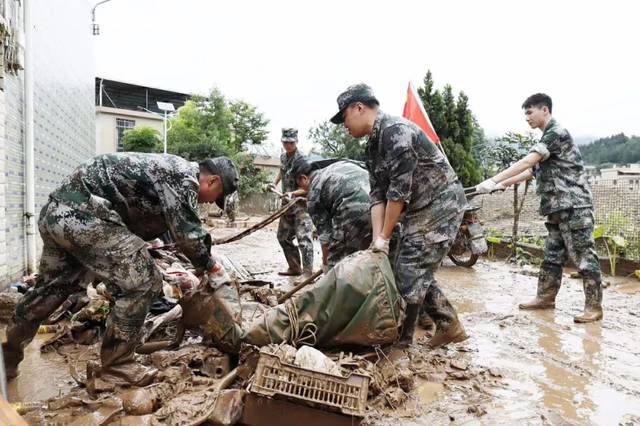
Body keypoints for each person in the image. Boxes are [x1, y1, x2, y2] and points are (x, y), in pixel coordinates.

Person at [2, 153, 239, 384]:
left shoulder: (171, 169)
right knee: (144, 281)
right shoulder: (185, 178)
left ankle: (7, 356)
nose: (208, 203)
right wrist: (212, 267)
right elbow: (188, 235)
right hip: (85, 215)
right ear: (212, 180)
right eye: (214, 196)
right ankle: (117, 365)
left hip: (59, 213)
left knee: (51, 290)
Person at [330, 83, 469, 348]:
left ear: (358, 108)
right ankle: (446, 324)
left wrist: (385, 235)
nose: (343, 125)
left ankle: (405, 340)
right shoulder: (372, 146)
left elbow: (398, 193)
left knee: (408, 269)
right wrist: (376, 241)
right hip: (418, 209)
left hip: (440, 204)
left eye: (344, 117)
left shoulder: (396, 132)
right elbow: (377, 196)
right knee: (406, 267)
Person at [476, 93, 602, 323]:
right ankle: (545, 297)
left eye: (530, 112)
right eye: (525, 113)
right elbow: (530, 172)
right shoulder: (547, 140)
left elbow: (527, 161)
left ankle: (594, 308)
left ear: (545, 110)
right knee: (552, 257)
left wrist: (493, 179)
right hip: (556, 209)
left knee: (585, 258)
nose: (527, 118)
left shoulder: (556, 133)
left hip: (575, 207)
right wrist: (501, 185)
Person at [291, 158, 372, 272]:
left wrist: (326, 264)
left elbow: (325, 238)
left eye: (299, 186)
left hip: (354, 210)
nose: (302, 190)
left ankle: (337, 284)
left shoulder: (313, 194)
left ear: (304, 178)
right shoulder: (337, 166)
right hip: (380, 204)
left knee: (337, 262)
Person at [267, 128, 314, 278]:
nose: (288, 145)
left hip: (301, 206)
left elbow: (308, 187)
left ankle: (307, 274)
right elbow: (282, 171)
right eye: (285, 142)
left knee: (304, 239)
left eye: (291, 142)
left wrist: (293, 193)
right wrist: (274, 184)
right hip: (286, 206)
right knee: (283, 237)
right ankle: (294, 268)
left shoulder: (303, 161)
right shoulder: (283, 157)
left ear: (296, 142)